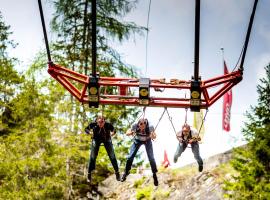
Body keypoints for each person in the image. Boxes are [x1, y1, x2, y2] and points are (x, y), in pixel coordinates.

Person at [121, 118, 158, 186]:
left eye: (144, 127)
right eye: (141, 127)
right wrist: (131, 132)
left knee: (151, 158)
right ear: (138, 124)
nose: (142, 128)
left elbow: (155, 136)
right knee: (130, 157)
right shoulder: (135, 125)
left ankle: (154, 174)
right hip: (137, 140)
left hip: (147, 140)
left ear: (146, 124)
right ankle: (126, 172)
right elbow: (127, 133)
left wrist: (153, 135)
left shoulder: (150, 127)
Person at [85, 115, 120, 182]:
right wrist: (90, 132)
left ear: (104, 121)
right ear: (97, 122)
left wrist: (112, 133)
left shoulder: (108, 125)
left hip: (106, 139)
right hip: (96, 139)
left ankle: (117, 172)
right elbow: (86, 129)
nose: (101, 124)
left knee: (112, 155)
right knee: (93, 156)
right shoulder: (93, 124)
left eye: (102, 122)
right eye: (99, 122)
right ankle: (89, 173)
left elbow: (114, 130)